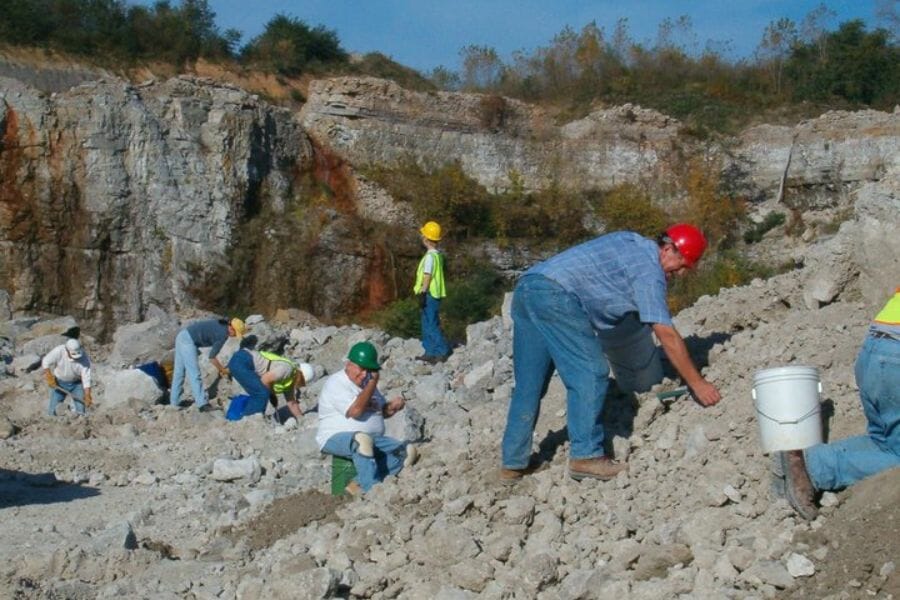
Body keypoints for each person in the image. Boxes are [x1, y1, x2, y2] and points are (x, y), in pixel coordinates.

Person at [500, 224, 722, 483]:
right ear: (668, 248)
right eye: (683, 264)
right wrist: (698, 384)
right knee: (592, 372)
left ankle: (513, 463)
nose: (682, 273)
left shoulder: (630, 241)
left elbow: (605, 288)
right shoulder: (649, 269)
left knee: (529, 384)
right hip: (556, 296)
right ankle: (586, 456)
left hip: (528, 287)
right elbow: (666, 334)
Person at [775, 287, 900, 520]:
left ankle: (807, 460)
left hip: (875, 350)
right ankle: (813, 471)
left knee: (884, 443)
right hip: (895, 362)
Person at [316, 342, 417, 495]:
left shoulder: (368, 386)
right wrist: (372, 383)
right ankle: (372, 492)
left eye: (369, 370)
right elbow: (355, 411)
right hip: (335, 437)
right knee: (361, 440)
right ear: (349, 364)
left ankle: (357, 484)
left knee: (406, 451)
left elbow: (381, 412)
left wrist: (391, 407)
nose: (364, 374)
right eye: (361, 369)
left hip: (372, 439)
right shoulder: (337, 383)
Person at [227, 335, 316, 422]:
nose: (300, 385)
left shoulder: (289, 382)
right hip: (243, 360)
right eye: (302, 382)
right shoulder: (287, 369)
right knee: (261, 394)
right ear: (300, 375)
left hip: (244, 363)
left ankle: (247, 418)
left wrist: (302, 420)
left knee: (259, 393)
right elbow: (265, 379)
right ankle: (247, 422)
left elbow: (292, 403)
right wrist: (272, 395)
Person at [170, 317, 246, 412]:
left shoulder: (224, 323)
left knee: (179, 373)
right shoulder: (222, 335)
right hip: (188, 341)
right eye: (236, 333)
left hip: (182, 335)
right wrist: (222, 369)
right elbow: (212, 357)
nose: (234, 336)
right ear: (231, 329)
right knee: (194, 373)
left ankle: (174, 403)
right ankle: (202, 404)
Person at [414, 221, 451, 364]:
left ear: (426, 239)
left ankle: (441, 350)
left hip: (429, 294)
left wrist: (423, 292)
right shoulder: (438, 255)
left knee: (430, 323)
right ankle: (430, 352)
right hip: (434, 294)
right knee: (427, 322)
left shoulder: (430, 257)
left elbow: (427, 276)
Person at [42, 338, 92, 416]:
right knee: (52, 411)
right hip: (59, 383)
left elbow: (86, 379)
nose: (75, 357)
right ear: (67, 351)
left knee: (81, 411)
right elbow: (45, 361)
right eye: (73, 354)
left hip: (77, 385)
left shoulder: (84, 359)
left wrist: (87, 395)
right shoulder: (59, 351)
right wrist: (49, 376)